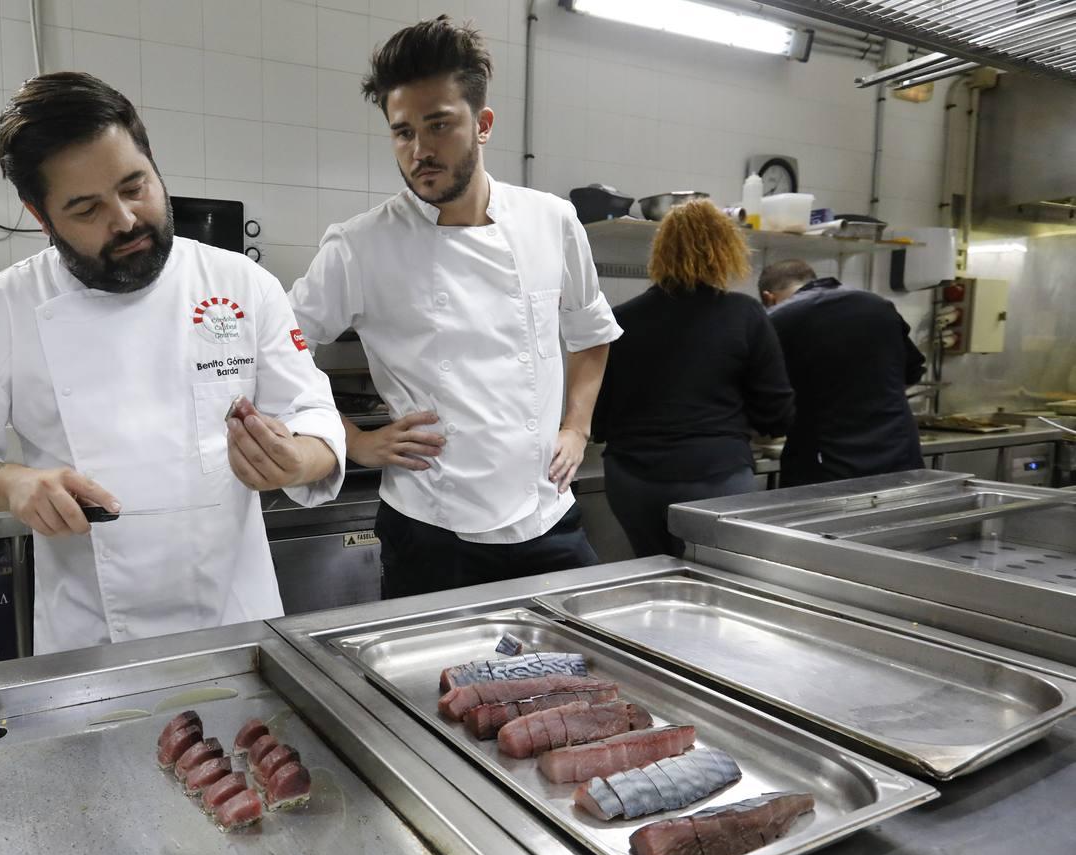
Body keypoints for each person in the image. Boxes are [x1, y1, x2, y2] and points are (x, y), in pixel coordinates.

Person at [0, 73, 344, 653]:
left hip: (237, 627)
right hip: (92, 643)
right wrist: (10, 484)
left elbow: (314, 414)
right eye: (87, 209)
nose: (127, 220)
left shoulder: (242, 285)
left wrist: (293, 460)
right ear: (42, 216)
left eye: (135, 186)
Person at [288, 17, 622, 599]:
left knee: (576, 675)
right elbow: (276, 352)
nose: (419, 151)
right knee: (427, 689)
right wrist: (353, 440)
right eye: (402, 132)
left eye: (439, 125)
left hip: (546, 515)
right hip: (430, 530)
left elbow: (591, 330)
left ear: (483, 124)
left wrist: (577, 426)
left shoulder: (552, 221)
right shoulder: (360, 245)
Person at [592, 200, 793, 558]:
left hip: (634, 478)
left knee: (652, 578)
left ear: (660, 252)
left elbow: (599, 416)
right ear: (727, 250)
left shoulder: (620, 318)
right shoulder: (744, 314)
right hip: (716, 476)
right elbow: (776, 413)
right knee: (717, 584)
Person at [758, 259, 927, 486]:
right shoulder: (877, 304)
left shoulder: (778, 320)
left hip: (827, 466)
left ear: (768, 297)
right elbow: (913, 371)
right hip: (898, 455)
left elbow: (768, 398)